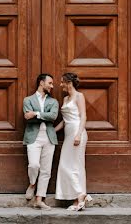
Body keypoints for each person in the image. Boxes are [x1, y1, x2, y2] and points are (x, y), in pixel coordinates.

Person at [54, 72, 92, 211]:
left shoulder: (79, 96)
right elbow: (64, 121)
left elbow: (83, 116)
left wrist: (78, 135)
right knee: (67, 165)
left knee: (75, 165)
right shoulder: (65, 99)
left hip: (77, 132)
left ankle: (80, 195)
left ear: (68, 82)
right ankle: (78, 197)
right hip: (68, 133)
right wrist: (53, 131)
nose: (60, 84)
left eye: (62, 82)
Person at [23, 73, 59, 210]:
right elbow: (28, 117)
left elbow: (53, 116)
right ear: (41, 83)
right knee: (33, 165)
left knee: (46, 170)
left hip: (49, 137)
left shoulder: (53, 102)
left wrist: (36, 114)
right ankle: (32, 183)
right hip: (33, 136)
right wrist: (42, 115)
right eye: (50, 83)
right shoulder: (28, 100)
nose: (52, 86)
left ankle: (39, 199)